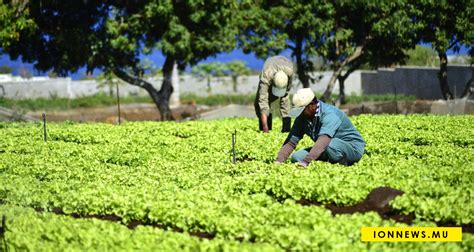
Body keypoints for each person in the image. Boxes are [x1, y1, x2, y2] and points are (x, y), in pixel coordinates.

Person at [275, 88, 365, 167]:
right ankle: (328, 161)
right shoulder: (302, 118)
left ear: (312, 106)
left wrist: (306, 162)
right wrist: (279, 161)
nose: (300, 114)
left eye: (302, 110)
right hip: (327, 148)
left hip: (352, 148)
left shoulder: (329, 114)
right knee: (296, 157)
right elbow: (291, 142)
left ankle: (342, 164)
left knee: (328, 145)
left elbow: (323, 140)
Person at [254, 55, 294, 133]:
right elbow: (262, 100)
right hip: (270, 70)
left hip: (284, 64)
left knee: (285, 98)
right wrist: (265, 127)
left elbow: (286, 94)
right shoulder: (266, 76)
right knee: (259, 104)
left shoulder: (290, 72)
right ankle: (265, 128)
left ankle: (286, 130)